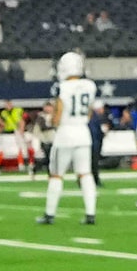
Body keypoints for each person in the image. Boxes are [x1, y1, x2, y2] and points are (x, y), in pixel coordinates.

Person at [40, 49, 99, 227]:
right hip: (83, 132)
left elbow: (57, 116)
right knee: (85, 173)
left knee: (56, 175)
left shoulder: (62, 88)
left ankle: (50, 214)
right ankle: (91, 213)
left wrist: (51, 121)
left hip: (65, 134)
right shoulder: (90, 86)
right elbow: (89, 112)